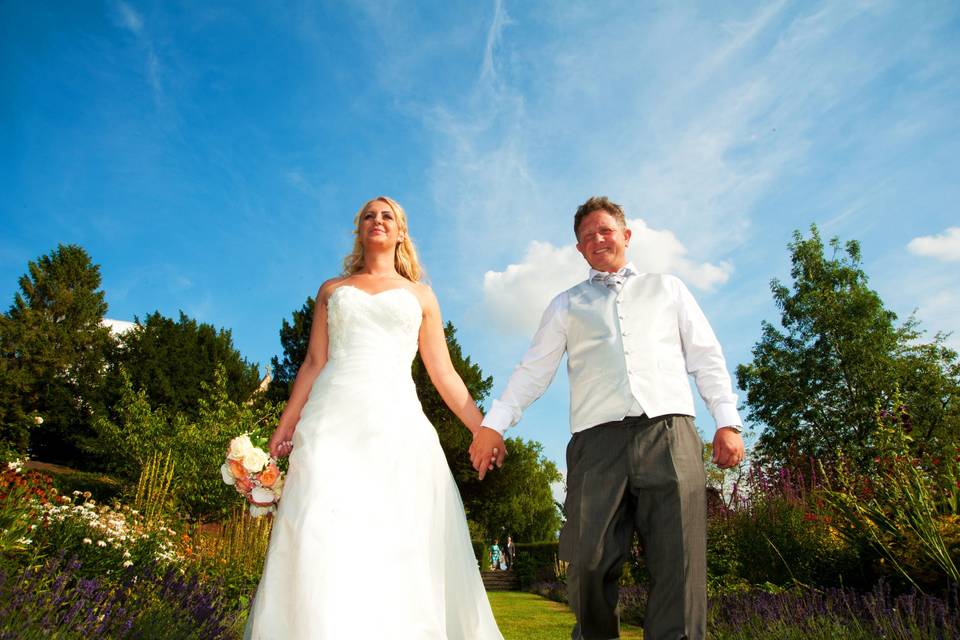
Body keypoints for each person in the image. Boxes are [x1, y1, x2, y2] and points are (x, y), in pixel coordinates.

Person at [470, 196, 745, 640]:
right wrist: (493, 424)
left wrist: (726, 421)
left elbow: (706, 357)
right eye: (586, 236)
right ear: (579, 250)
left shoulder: (668, 288)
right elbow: (532, 371)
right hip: (597, 443)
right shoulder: (565, 304)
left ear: (626, 236)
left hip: (669, 432)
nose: (597, 239)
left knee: (680, 564)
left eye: (605, 230)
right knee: (589, 561)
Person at [245, 196, 503, 639]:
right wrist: (286, 423)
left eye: (387, 216)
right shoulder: (332, 289)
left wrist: (483, 427)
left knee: (396, 531)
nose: (377, 221)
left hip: (395, 422)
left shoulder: (421, 295)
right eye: (369, 215)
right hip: (330, 419)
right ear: (359, 230)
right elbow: (312, 360)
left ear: (401, 232)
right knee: (319, 525)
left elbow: (443, 371)